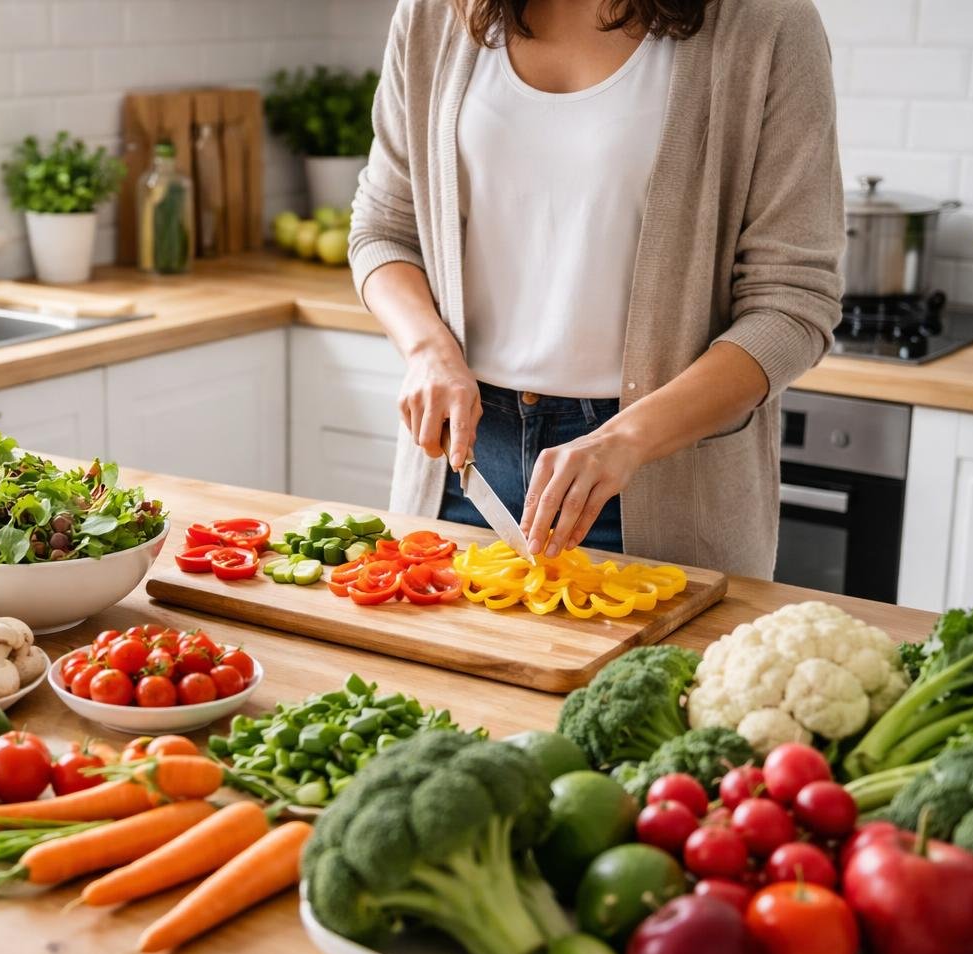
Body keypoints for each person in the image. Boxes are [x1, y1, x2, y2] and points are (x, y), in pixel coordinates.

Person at [349, 0, 845, 577]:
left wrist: (626, 440)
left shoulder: (765, 23)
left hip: (657, 479)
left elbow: (792, 303)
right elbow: (384, 229)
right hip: (460, 471)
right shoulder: (436, 13)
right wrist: (427, 350)